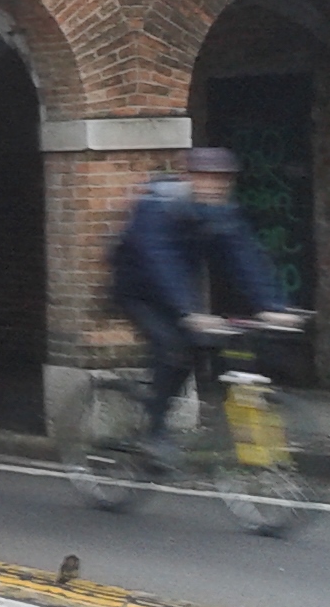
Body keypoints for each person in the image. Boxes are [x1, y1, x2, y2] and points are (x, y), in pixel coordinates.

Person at [107, 147, 303, 463]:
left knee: (199, 347)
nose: (215, 186)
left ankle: (162, 405)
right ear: (189, 177)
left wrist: (272, 306)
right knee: (172, 348)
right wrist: (190, 311)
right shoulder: (158, 206)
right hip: (138, 290)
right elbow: (160, 260)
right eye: (207, 178)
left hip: (178, 294)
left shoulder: (221, 212)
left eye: (222, 180)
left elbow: (246, 258)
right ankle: (153, 433)